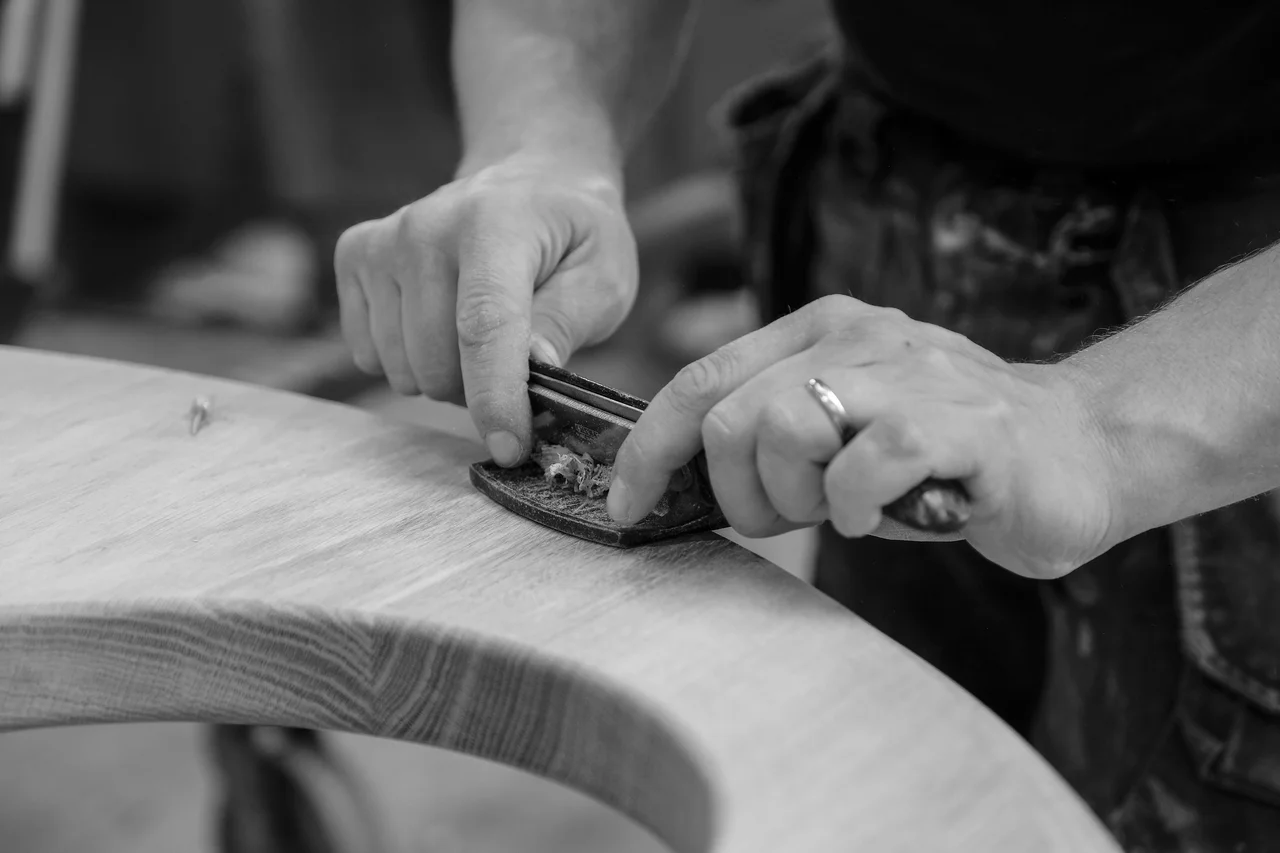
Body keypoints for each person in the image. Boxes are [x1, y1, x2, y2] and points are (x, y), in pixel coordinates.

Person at [333, 2, 1280, 849]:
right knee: (896, 792)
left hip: (1234, 344)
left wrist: (1099, 424)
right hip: (898, 183)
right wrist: (541, 141)